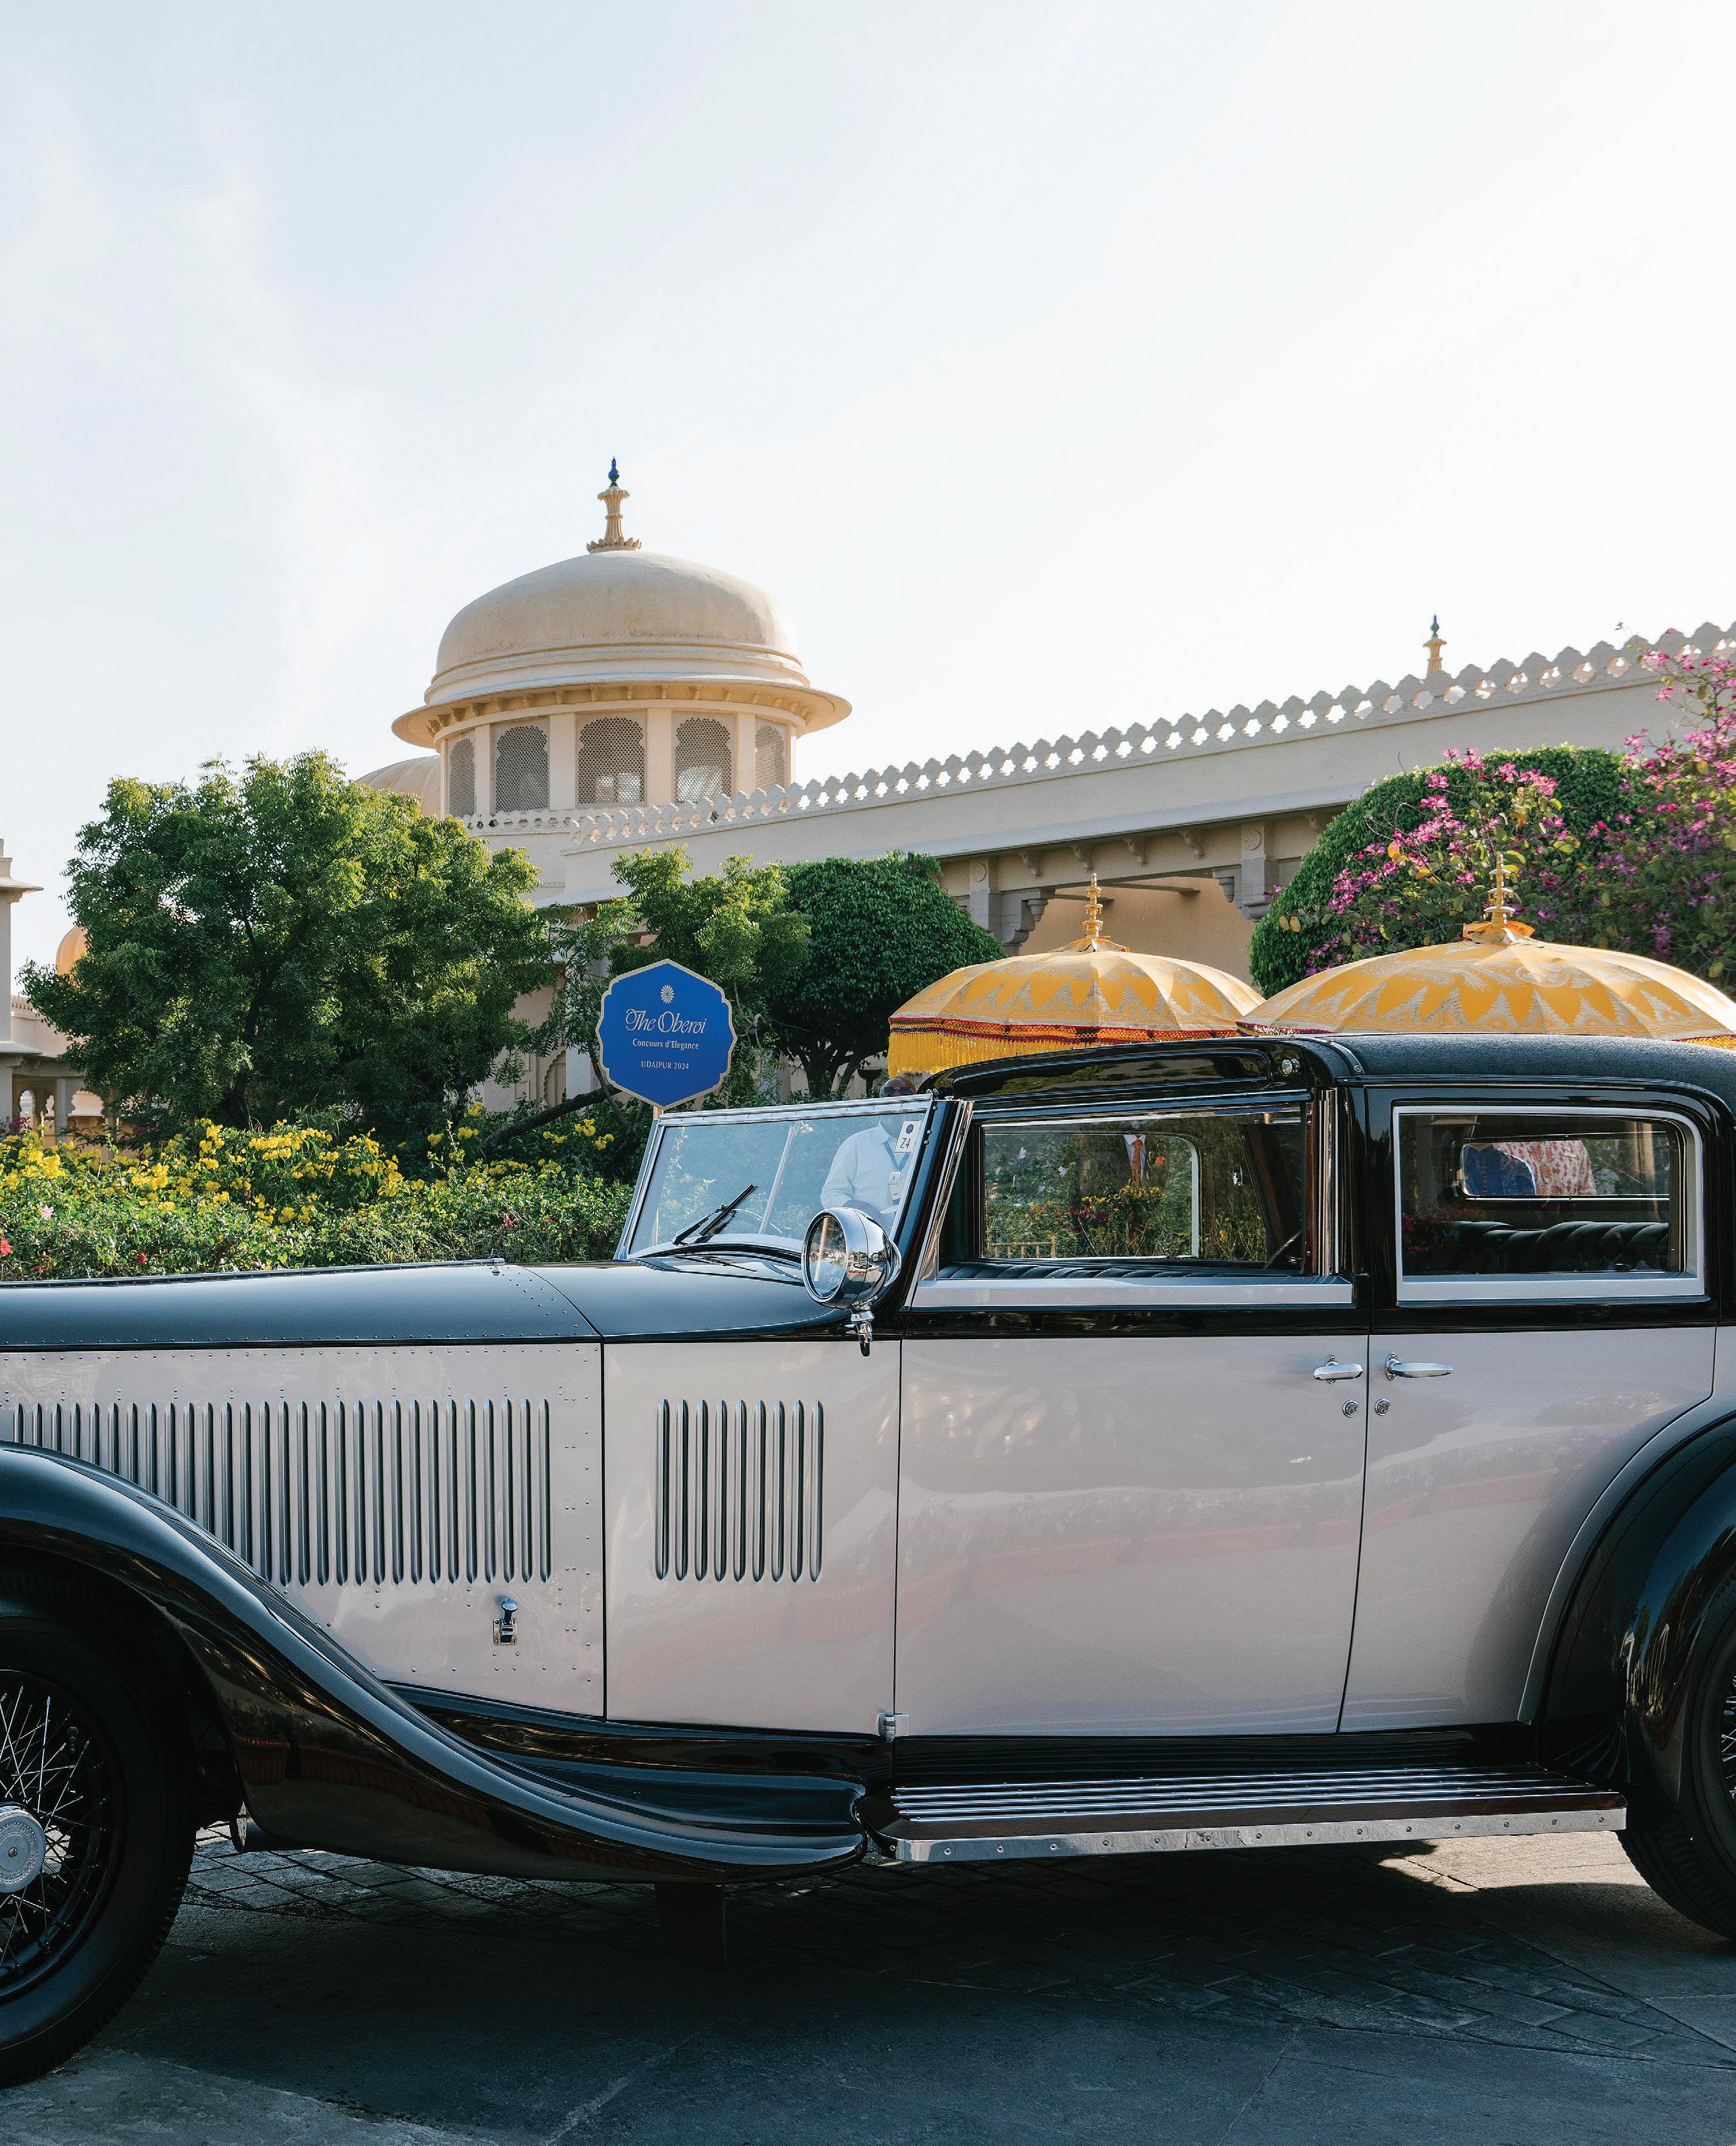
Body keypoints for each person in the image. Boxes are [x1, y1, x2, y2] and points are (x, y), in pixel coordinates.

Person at [819, 1074, 922, 1226]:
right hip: (869, 1235)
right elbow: (831, 1194)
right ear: (880, 1104)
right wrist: (861, 1209)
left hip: (920, 1234)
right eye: (889, 1099)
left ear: (916, 1104)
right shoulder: (856, 1144)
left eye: (903, 1100)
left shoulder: (928, 1141)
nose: (896, 1107)